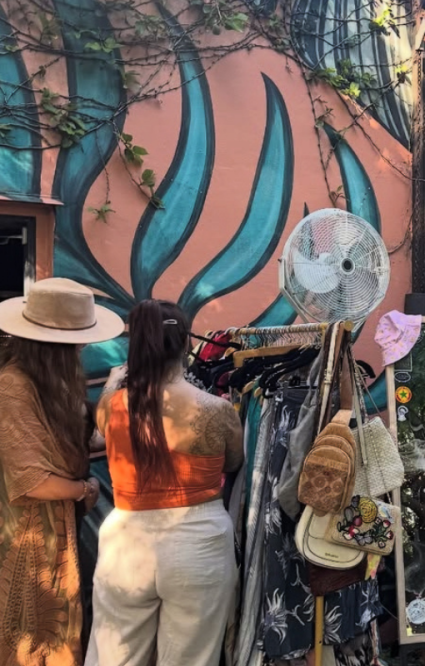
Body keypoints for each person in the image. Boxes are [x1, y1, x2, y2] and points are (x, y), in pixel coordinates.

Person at [86, 300, 243, 666]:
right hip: (199, 541)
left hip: (127, 542)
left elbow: (100, 435)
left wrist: (112, 383)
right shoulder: (216, 411)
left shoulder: (111, 405)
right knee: (191, 658)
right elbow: (233, 462)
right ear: (185, 343)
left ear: (136, 345)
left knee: (114, 655)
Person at [0, 278, 124, 665]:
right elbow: (32, 480)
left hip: (56, 530)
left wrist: (113, 397)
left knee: (56, 634)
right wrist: (84, 489)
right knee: (29, 634)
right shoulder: (13, 387)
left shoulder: (53, 381)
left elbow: (79, 442)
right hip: (27, 531)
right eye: (76, 340)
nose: (83, 347)